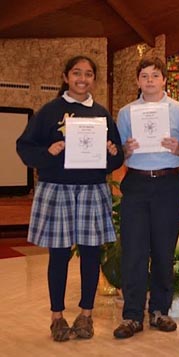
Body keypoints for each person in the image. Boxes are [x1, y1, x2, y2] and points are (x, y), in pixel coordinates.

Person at [16, 55, 124, 342]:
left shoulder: (101, 114)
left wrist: (112, 154)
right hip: (57, 188)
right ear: (66, 76)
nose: (82, 79)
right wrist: (47, 153)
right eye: (77, 73)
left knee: (90, 254)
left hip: (91, 189)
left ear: (93, 80)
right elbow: (24, 146)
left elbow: (116, 156)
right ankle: (57, 317)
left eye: (88, 74)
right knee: (59, 255)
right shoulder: (49, 112)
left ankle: (86, 315)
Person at [112, 57, 179, 339]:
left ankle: (160, 311)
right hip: (136, 182)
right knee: (133, 250)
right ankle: (132, 315)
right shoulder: (125, 113)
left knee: (163, 250)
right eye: (144, 76)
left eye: (154, 75)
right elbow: (117, 152)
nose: (149, 80)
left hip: (169, 183)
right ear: (137, 81)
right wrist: (127, 151)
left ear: (164, 80)